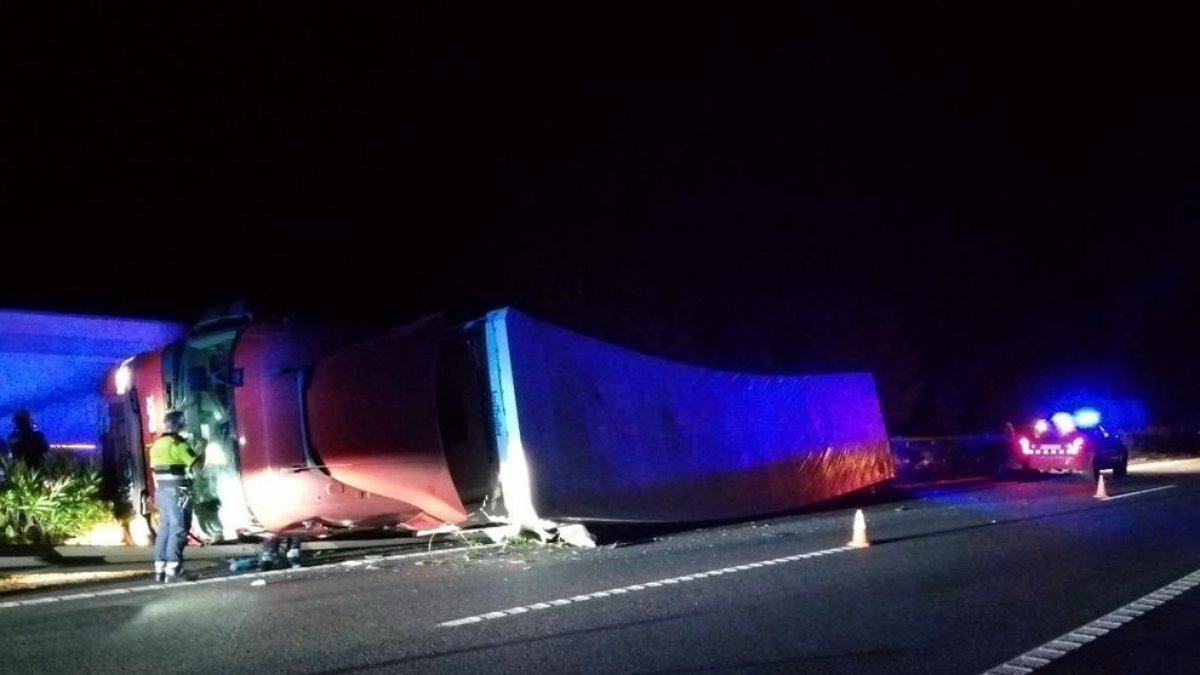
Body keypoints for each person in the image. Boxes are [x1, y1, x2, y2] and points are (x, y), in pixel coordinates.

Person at [149, 410, 204, 582]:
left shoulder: (156, 444)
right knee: (179, 529)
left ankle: (160, 570)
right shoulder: (178, 443)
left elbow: (154, 471)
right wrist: (204, 448)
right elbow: (198, 466)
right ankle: (174, 569)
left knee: (165, 529)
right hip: (178, 491)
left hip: (162, 492)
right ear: (180, 425)